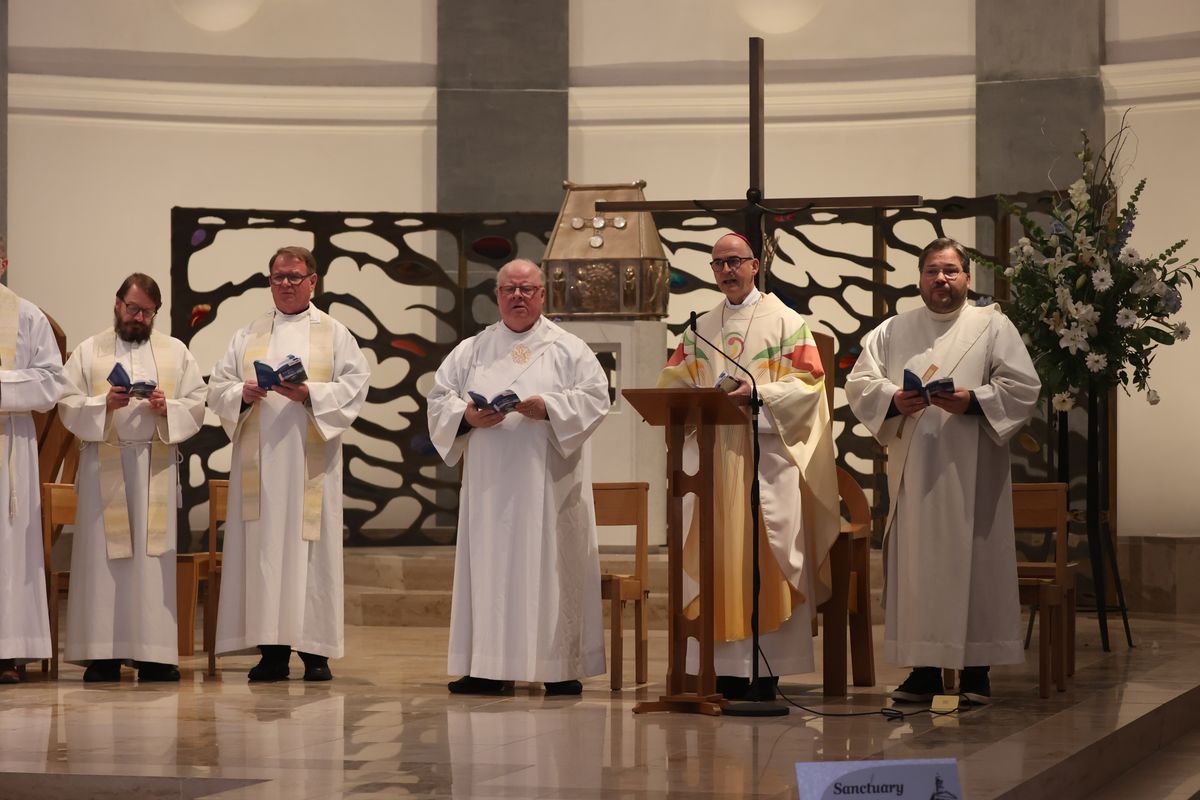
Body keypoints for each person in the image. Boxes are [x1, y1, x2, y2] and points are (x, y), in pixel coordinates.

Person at [845, 237, 1041, 705]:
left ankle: (976, 672)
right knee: (919, 567)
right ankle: (924, 671)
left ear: (967, 279)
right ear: (920, 277)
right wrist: (894, 399)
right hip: (917, 472)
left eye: (951, 270)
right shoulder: (893, 330)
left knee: (976, 563)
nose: (941, 279)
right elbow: (860, 382)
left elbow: (1022, 385)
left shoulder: (992, 325)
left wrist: (972, 400)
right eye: (933, 270)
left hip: (973, 470)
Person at [655, 232, 840, 699]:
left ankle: (766, 669)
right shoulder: (699, 327)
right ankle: (720, 669)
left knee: (765, 556)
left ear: (755, 266)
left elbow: (809, 387)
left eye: (735, 261)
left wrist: (758, 393)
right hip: (712, 465)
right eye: (718, 264)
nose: (726, 271)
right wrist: (695, 398)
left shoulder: (786, 321)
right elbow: (672, 384)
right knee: (716, 555)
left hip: (765, 458)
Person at [427, 258, 611, 696]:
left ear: (543, 295)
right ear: (497, 295)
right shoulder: (472, 349)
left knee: (550, 566)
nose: (518, 297)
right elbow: (439, 400)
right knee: (489, 570)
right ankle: (487, 667)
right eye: (509, 289)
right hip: (490, 488)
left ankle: (558, 665)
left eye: (527, 289)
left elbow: (596, 398)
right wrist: (467, 416)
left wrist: (548, 408)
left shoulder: (569, 348)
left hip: (548, 486)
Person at [208, 246, 369, 682]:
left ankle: (315, 653)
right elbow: (217, 386)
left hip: (308, 464)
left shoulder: (334, 333)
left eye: (295, 277)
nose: (285, 284)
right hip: (259, 468)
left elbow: (356, 385)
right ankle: (272, 652)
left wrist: (310, 394)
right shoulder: (249, 333)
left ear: (313, 281)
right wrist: (241, 394)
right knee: (264, 553)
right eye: (278, 277)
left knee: (310, 554)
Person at [59, 273, 207, 682]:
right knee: (103, 562)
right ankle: (102, 655)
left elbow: (197, 405)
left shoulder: (175, 352)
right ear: (117, 303)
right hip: (103, 466)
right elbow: (67, 404)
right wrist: (102, 403)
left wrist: (167, 405)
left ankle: (155, 654)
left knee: (151, 562)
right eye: (132, 308)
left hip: (152, 466)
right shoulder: (90, 350)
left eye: (146, 311)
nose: (138, 317)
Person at [0, 234, 68, 684]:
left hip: (9, 446)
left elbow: (50, 384)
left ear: (3, 261)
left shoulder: (25, 315)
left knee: (8, 546)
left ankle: (6, 650)